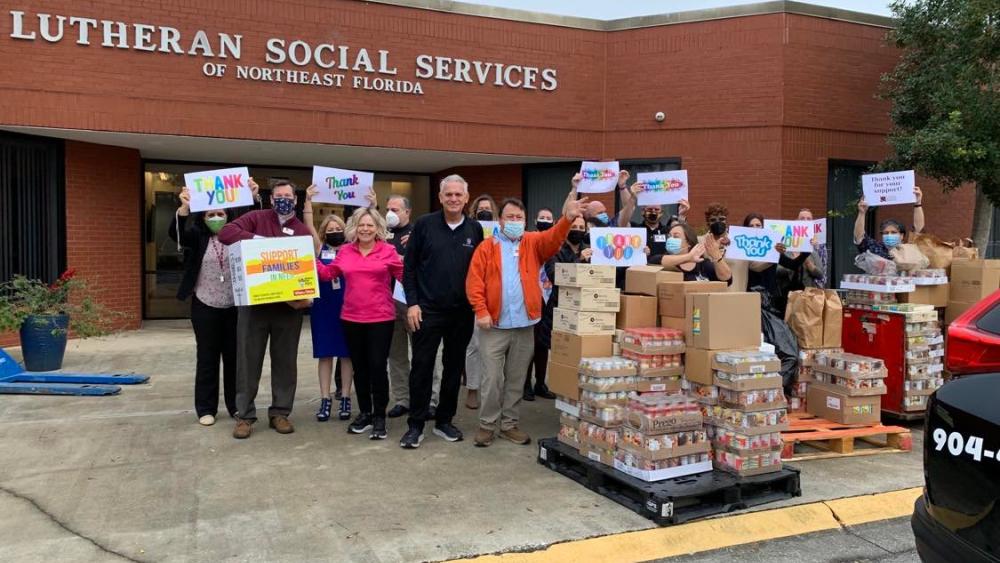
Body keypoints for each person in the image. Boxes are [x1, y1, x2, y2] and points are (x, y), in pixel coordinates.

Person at [466, 192, 584, 447]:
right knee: (492, 380)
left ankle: (509, 424)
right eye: (510, 217)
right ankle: (487, 424)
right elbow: (474, 282)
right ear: (500, 221)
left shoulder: (532, 242)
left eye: (519, 217)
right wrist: (481, 310)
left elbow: (553, 239)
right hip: (493, 326)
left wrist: (567, 218)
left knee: (517, 379)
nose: (515, 221)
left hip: (524, 326)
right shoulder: (486, 248)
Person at [218, 180, 312, 439]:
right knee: (247, 361)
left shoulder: (302, 231)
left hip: (288, 309)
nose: (283, 199)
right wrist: (259, 241)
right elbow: (226, 233)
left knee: (285, 362)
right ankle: (245, 416)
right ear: (272, 199)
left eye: (288, 196)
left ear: (296, 200)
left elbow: (307, 270)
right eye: (279, 196)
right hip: (254, 306)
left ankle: (280, 412)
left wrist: (306, 299)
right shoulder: (255, 218)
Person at [400, 174, 485, 449]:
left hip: (461, 313)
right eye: (448, 194)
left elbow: (480, 271)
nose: (453, 199)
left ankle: (444, 421)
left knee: (453, 368)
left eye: (458, 194)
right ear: (440, 197)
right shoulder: (424, 225)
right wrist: (412, 303)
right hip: (426, 311)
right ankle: (415, 424)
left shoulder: (475, 230)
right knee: (422, 367)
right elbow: (409, 268)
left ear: (466, 198)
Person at [169, 179, 260, 426]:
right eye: (211, 214)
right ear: (203, 216)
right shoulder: (197, 236)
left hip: (234, 306)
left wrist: (253, 198)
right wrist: (183, 209)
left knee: (235, 359)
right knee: (207, 357)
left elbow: (257, 227)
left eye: (221, 213)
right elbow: (175, 234)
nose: (216, 217)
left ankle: (235, 406)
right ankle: (206, 408)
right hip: (204, 305)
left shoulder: (238, 236)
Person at [314, 207, 403, 440]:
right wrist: (307, 261)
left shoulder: (388, 251)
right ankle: (365, 413)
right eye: (361, 225)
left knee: (377, 367)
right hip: (351, 319)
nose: (365, 229)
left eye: (370, 225)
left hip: (381, 319)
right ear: (355, 228)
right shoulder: (345, 251)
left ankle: (379, 417)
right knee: (359, 369)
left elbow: (407, 276)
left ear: (377, 228)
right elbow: (327, 274)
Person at [386, 195, 443, 419]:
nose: (391, 213)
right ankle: (403, 399)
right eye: (388, 208)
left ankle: (430, 399)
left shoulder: (420, 232)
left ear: (407, 212)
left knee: (425, 353)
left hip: (415, 303)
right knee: (396, 355)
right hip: (389, 303)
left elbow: (433, 263)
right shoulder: (383, 236)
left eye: (396, 209)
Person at [525, 215, 593, 401]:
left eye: (581, 227)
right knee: (539, 345)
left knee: (561, 348)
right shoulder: (555, 249)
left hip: (578, 307)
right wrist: (579, 260)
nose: (577, 230)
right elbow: (555, 274)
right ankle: (527, 384)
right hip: (552, 304)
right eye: (574, 226)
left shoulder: (590, 250)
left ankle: (544, 384)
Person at [301, 187, 354, 422]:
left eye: (338, 229)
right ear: (324, 233)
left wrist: (372, 205)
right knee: (325, 355)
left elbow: (367, 222)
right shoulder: (319, 248)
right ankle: (324, 399)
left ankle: (345, 397)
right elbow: (309, 223)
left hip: (348, 307)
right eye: (330, 229)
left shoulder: (351, 250)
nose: (334, 232)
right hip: (323, 309)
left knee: (346, 355)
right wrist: (308, 200)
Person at [464, 194, 499, 410]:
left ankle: (493, 387)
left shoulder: (500, 232)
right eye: (480, 209)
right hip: (474, 292)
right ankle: (472, 388)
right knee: (474, 345)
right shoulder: (469, 230)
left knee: (496, 346)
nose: (484, 211)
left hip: (497, 293)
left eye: (488, 208)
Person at [744, 213, 810, 312]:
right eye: (751, 226)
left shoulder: (773, 249)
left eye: (758, 225)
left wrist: (807, 249)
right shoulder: (742, 249)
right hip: (749, 295)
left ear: (763, 227)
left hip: (770, 296)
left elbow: (793, 265)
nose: (755, 228)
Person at [618, 178, 690, 263]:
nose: (653, 212)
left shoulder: (668, 230)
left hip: (665, 270)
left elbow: (683, 238)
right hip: (640, 270)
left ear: (662, 213)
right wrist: (629, 193)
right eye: (650, 209)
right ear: (642, 212)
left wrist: (681, 215)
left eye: (656, 209)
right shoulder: (635, 229)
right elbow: (623, 221)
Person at [854, 187, 925, 259]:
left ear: (901, 235)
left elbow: (918, 229)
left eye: (893, 232)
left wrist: (918, 203)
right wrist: (862, 213)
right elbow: (859, 237)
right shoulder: (875, 249)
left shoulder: (908, 250)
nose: (889, 235)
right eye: (886, 233)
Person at [661, 222, 732, 283]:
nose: (670, 239)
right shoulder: (662, 261)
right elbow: (655, 260)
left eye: (676, 236)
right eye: (669, 236)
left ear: (688, 242)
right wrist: (689, 257)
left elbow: (727, 280)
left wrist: (716, 255)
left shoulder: (703, 264)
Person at [777, 209, 827, 294]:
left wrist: (810, 265)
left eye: (808, 219)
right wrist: (794, 263)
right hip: (786, 293)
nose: (805, 221)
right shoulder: (785, 248)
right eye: (802, 218)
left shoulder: (816, 248)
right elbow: (777, 270)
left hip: (808, 294)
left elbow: (821, 274)